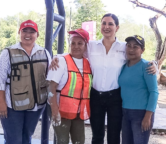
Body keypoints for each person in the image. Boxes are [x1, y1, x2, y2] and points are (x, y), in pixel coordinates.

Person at [50, 13, 157, 144]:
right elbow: (75, 51)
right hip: (95, 96)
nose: (106, 27)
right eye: (104, 23)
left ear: (117, 27)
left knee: (114, 135)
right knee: (97, 135)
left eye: (110, 24)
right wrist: (57, 57)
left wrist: (154, 64)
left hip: (115, 98)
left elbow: (138, 56)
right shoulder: (91, 46)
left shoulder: (124, 47)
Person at [0, 20, 51, 144]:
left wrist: (58, 61)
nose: (28, 34)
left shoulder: (45, 53)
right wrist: (1, 102)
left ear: (37, 35)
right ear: (19, 32)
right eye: (25, 31)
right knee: (14, 140)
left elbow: (51, 75)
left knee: (26, 137)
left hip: (36, 106)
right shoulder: (8, 52)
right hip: (11, 106)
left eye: (32, 32)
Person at [47, 28, 92, 144]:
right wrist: (54, 111)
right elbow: (51, 87)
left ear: (86, 45)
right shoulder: (61, 61)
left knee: (79, 141)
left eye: (80, 43)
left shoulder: (89, 63)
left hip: (78, 112)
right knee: (62, 141)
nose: (76, 46)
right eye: (73, 43)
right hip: (60, 111)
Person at [119, 35, 159, 144]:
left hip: (141, 114)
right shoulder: (123, 66)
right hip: (125, 112)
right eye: (129, 46)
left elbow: (154, 92)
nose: (131, 49)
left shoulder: (147, 66)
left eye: (135, 47)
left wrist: (148, 116)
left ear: (142, 50)